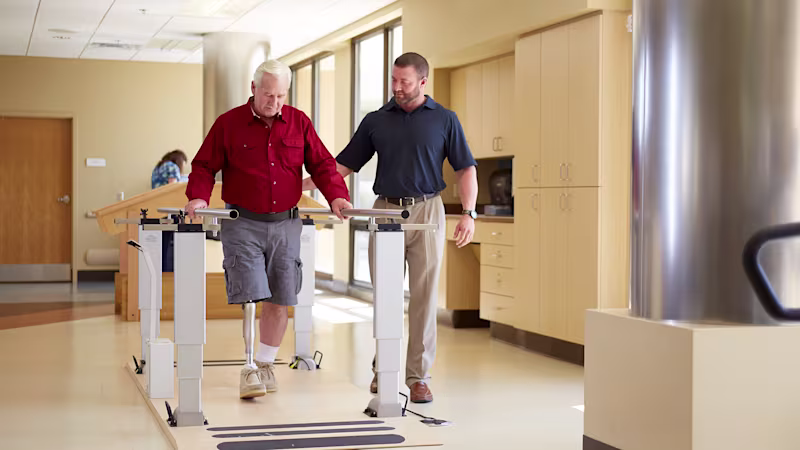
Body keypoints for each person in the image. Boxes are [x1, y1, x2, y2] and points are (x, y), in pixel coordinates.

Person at [303, 52, 478, 403]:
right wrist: (302, 185)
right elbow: (342, 165)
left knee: (424, 300)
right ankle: (383, 369)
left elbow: (465, 168)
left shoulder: (445, 119)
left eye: (405, 82)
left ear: (423, 82)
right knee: (384, 295)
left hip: (428, 211)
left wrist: (469, 213)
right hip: (385, 211)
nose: (397, 88)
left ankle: (418, 377)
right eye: (393, 81)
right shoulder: (376, 120)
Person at [184, 60, 352, 400]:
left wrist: (338, 197)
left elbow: (322, 164)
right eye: (268, 95)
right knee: (249, 295)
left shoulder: (298, 122)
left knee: (280, 298)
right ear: (253, 88)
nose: (274, 103)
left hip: (286, 224)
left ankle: (264, 364)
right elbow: (203, 165)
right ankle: (247, 369)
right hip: (242, 223)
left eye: (281, 96)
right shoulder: (229, 124)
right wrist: (199, 198)